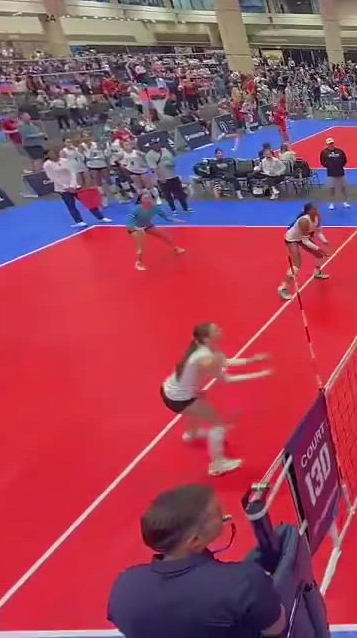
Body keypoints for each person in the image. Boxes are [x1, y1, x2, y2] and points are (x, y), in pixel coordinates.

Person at [107, 484, 286, 638]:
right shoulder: (245, 582)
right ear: (195, 541)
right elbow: (276, 630)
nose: (225, 515)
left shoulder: (125, 586)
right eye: (218, 513)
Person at [159, 323, 271, 476]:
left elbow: (224, 361)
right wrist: (260, 375)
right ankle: (217, 465)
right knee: (218, 425)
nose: (220, 330)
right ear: (206, 338)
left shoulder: (203, 349)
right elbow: (226, 379)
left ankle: (192, 435)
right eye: (216, 330)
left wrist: (251, 361)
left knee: (195, 409)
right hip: (179, 399)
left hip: (169, 390)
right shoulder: (206, 358)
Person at [44, 149, 111, 228]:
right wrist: (66, 187)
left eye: (54, 152)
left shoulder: (64, 161)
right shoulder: (47, 164)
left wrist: (72, 185)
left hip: (75, 186)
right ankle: (79, 221)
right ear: (47, 155)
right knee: (71, 205)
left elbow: (72, 172)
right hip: (63, 188)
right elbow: (52, 177)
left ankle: (101, 217)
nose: (53, 154)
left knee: (88, 202)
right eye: (51, 153)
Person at [279, 203, 330, 301]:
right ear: (309, 211)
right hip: (292, 239)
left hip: (302, 238)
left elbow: (318, 231)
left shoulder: (317, 217)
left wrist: (324, 241)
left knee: (319, 255)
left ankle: (317, 272)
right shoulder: (304, 221)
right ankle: (283, 288)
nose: (317, 210)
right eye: (314, 209)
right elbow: (305, 241)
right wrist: (318, 248)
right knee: (297, 265)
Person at [129, 192, 185, 271]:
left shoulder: (155, 208)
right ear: (141, 200)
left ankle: (176, 249)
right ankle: (138, 263)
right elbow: (130, 221)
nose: (148, 200)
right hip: (136, 228)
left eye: (149, 197)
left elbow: (166, 218)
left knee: (164, 236)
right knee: (141, 247)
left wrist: (177, 220)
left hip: (148, 226)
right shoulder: (137, 209)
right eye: (145, 198)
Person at [320, 137, 350, 209]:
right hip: (331, 173)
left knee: (343, 188)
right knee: (332, 188)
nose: (331, 145)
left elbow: (344, 160)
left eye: (332, 143)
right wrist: (329, 166)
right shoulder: (324, 152)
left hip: (340, 172)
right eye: (330, 144)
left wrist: (340, 166)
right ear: (327, 144)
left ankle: (345, 202)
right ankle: (332, 203)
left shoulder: (340, 151)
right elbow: (322, 162)